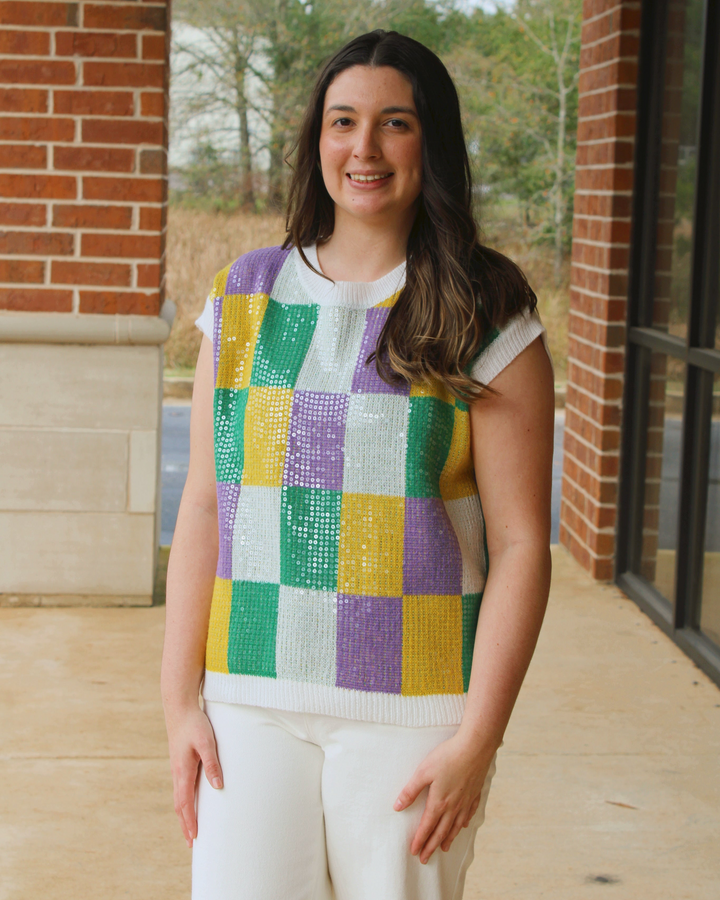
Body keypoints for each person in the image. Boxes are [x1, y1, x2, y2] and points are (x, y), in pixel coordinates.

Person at [161, 28, 555, 900]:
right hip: (248, 699)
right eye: (343, 121)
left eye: (395, 123)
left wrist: (478, 738)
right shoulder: (244, 295)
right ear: (318, 139)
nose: (364, 148)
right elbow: (205, 508)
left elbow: (524, 546)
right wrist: (179, 701)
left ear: (432, 142)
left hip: (414, 713)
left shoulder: (486, 310)